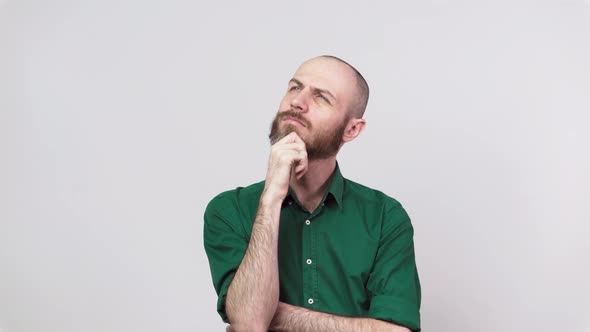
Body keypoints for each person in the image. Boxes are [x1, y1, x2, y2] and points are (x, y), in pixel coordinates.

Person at [203, 55, 421, 332]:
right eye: (295, 87)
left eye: (321, 97)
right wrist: (271, 198)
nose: (298, 102)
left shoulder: (384, 217)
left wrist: (276, 315)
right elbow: (250, 323)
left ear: (352, 129)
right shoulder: (230, 210)